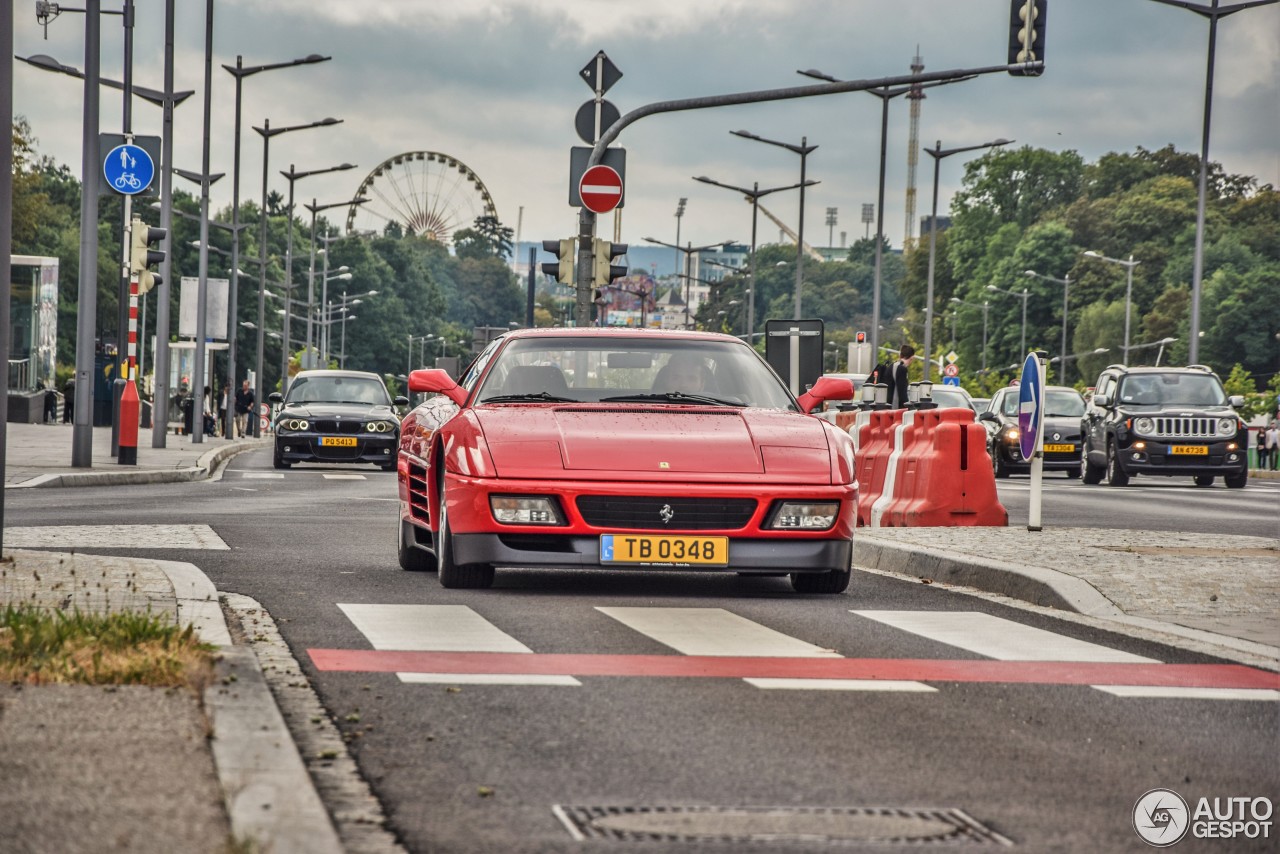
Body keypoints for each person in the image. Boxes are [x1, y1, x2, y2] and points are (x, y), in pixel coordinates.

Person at [888, 344, 914, 408]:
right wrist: (908, 406)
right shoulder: (902, 369)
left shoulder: (892, 366)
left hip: (887, 405)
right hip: (895, 407)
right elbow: (902, 392)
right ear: (912, 357)